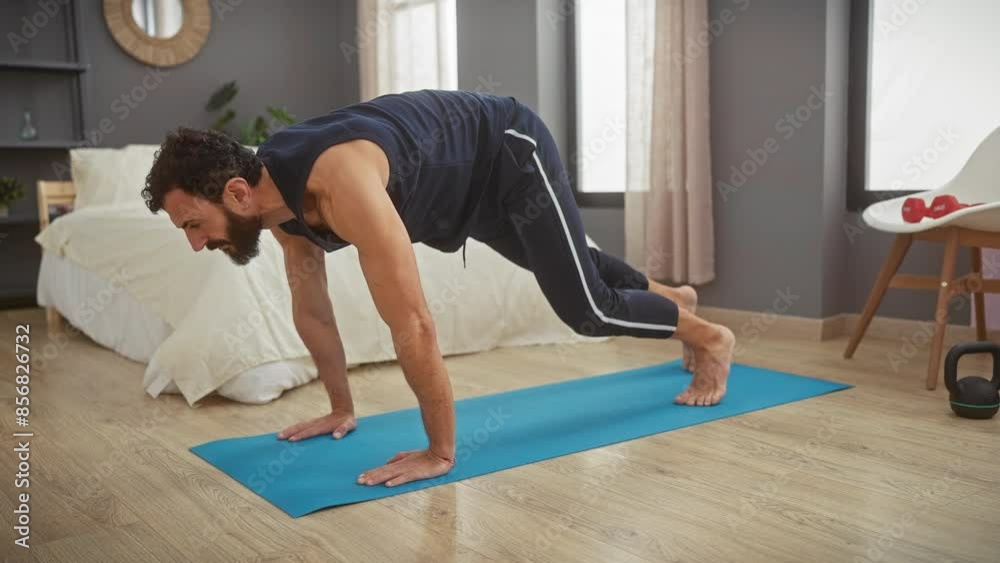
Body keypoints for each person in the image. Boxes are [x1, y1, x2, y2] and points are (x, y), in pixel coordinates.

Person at [142, 89, 735, 489]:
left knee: (582, 306)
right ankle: (674, 301)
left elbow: (414, 323)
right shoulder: (278, 208)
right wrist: (341, 408)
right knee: (576, 263)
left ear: (238, 194)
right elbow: (314, 312)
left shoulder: (340, 182)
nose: (196, 243)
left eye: (194, 224)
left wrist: (440, 450)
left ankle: (709, 337)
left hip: (506, 152)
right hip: (459, 194)